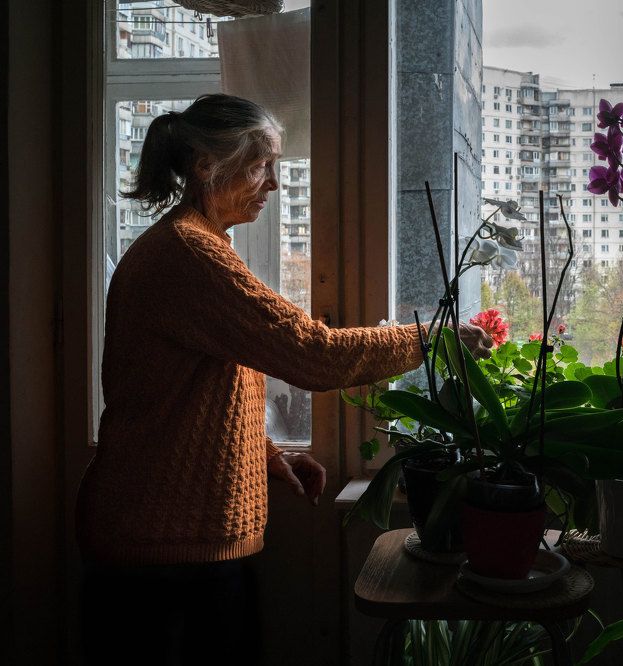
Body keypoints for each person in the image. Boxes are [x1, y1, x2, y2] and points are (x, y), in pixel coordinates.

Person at [75, 93, 492, 664]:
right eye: (261, 163)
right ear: (205, 166)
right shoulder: (188, 255)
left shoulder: (197, 247)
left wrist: (264, 454)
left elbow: (191, 389)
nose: (273, 183)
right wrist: (432, 339)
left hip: (175, 538)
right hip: (161, 550)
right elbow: (312, 354)